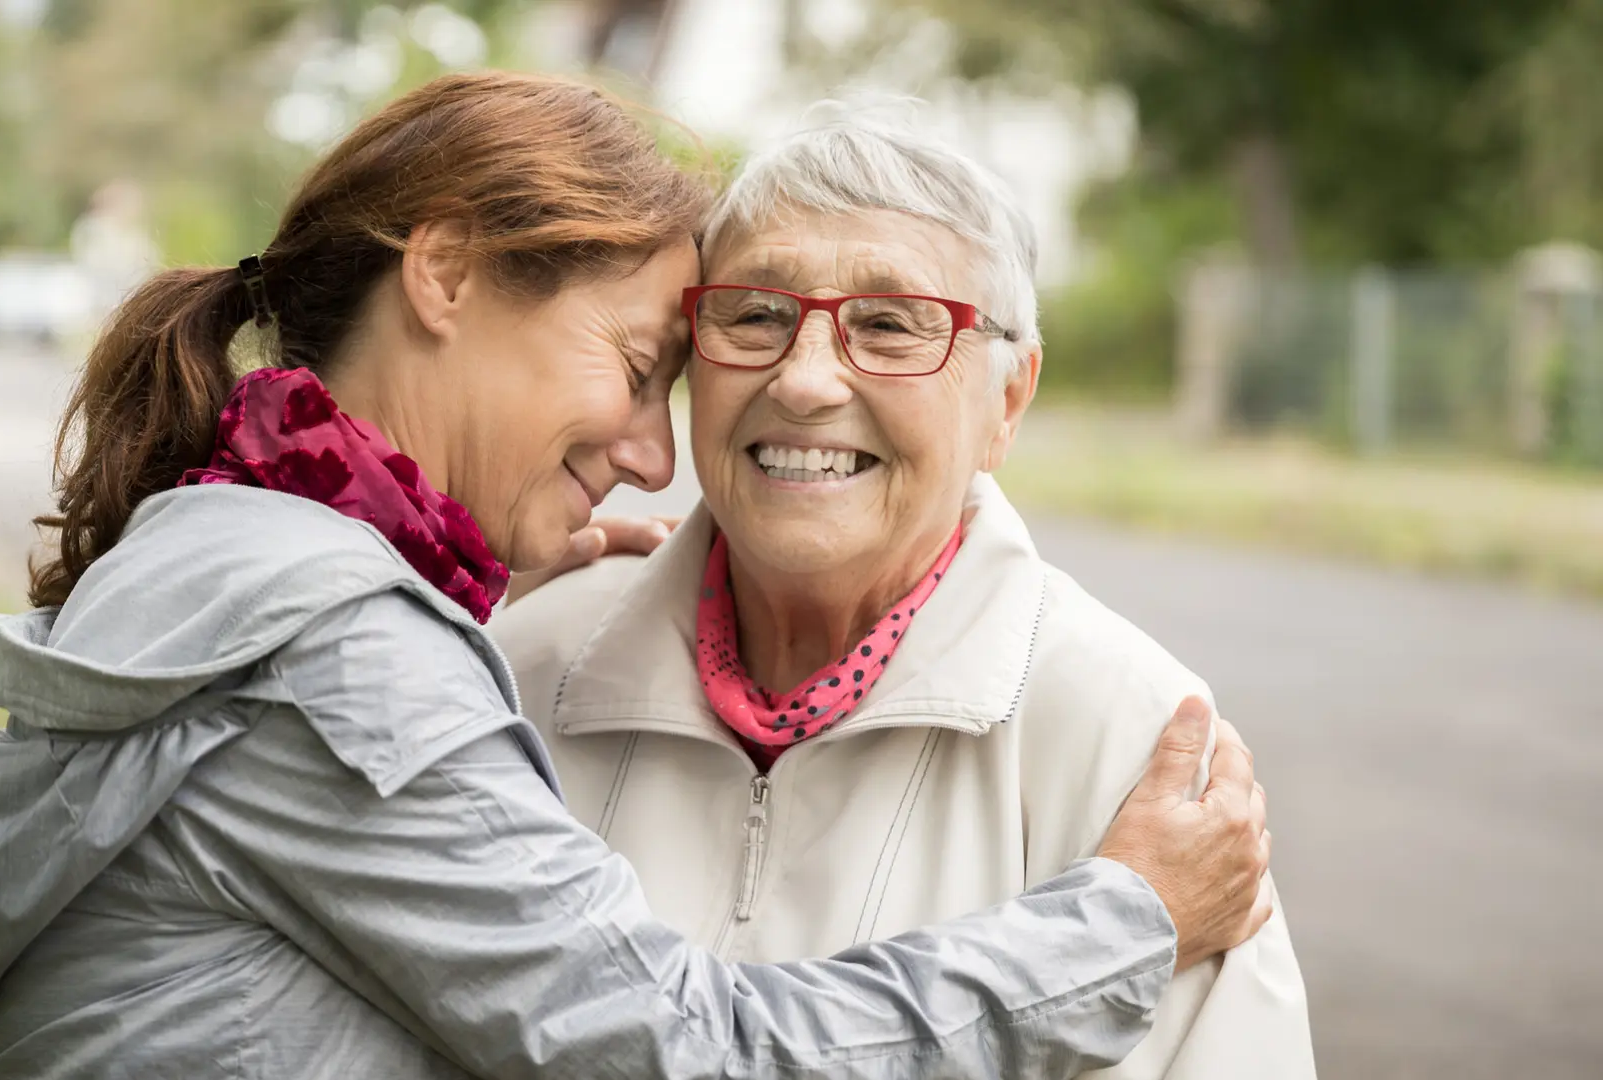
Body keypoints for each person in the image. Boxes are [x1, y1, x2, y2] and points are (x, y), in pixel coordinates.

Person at [0, 74, 1271, 1080]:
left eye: (896, 328)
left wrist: (441, 623)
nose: (648, 453)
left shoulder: (249, 566)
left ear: (1009, 391)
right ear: (444, 275)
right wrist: (1124, 921)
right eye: (639, 365)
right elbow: (685, 1053)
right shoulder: (342, 660)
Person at [492, 103, 1315, 1079]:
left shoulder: (1132, 739)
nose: (803, 382)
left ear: (1006, 401)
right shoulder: (517, 669)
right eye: (756, 314)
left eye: (889, 326)